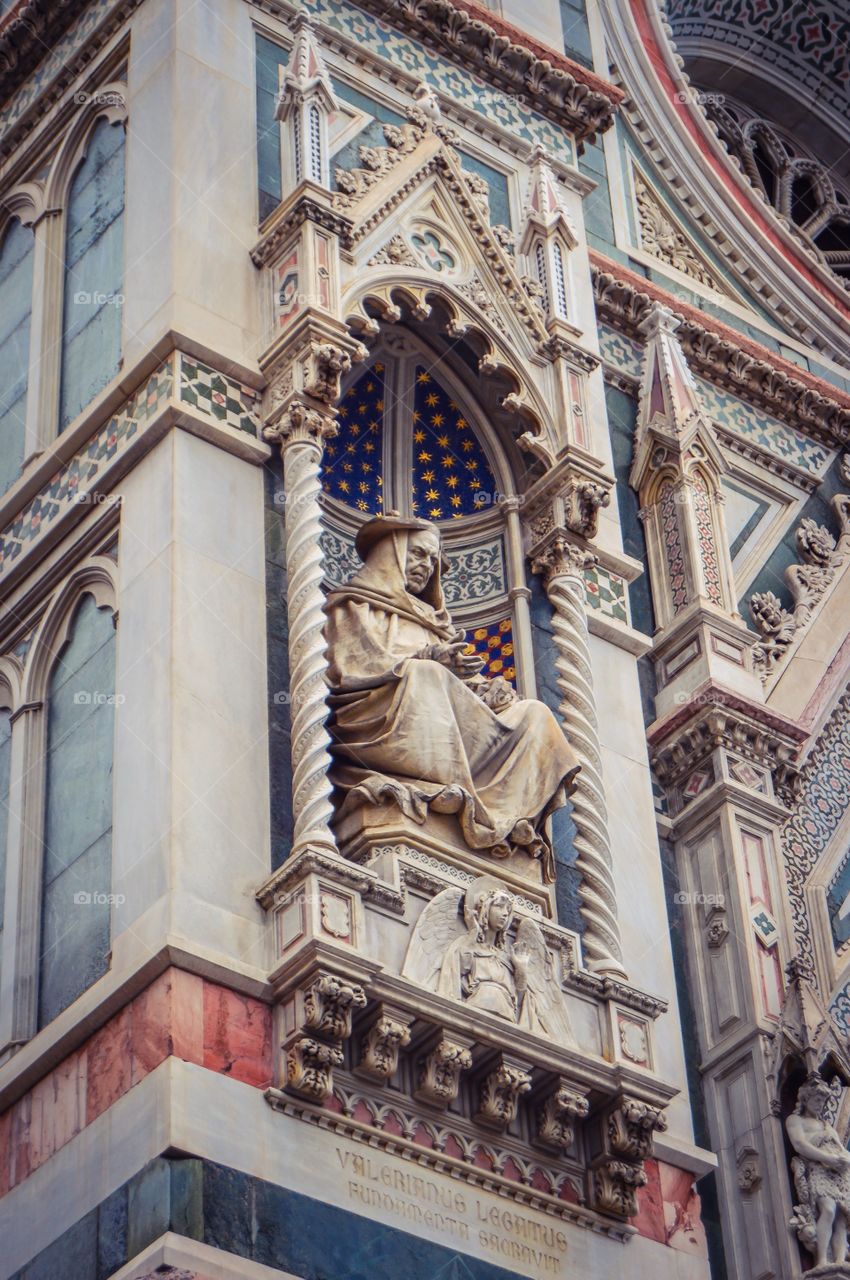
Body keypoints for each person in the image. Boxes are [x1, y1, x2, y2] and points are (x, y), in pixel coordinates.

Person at [323, 513, 579, 879]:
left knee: (535, 715)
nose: (426, 566)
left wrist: (489, 693)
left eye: (432, 559)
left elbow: (460, 687)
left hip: (444, 724)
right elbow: (350, 669)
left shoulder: (435, 622)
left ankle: (492, 814)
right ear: (390, 554)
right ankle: (457, 798)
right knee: (425, 674)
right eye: (417, 554)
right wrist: (427, 660)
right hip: (377, 718)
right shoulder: (354, 605)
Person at [787, 1073, 850, 1268]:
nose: (820, 1105)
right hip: (818, 1170)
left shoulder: (827, 1125)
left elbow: (841, 1148)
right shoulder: (795, 1120)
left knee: (840, 1217)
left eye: (823, 1101)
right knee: (828, 1210)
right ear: (806, 1099)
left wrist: (843, 1159)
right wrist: (828, 1158)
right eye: (816, 1100)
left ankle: (840, 1261)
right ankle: (822, 1260)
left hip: (838, 1175)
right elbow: (800, 1145)